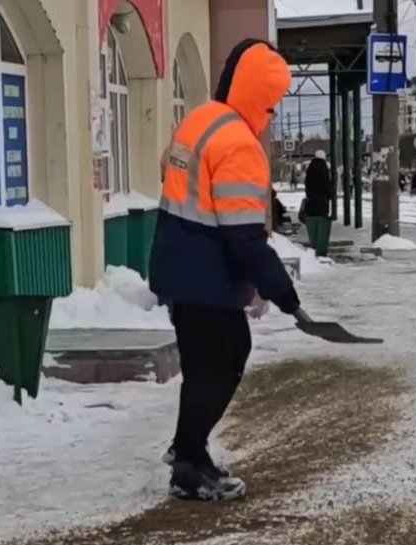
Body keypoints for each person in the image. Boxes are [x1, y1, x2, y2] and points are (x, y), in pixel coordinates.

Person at [151, 38, 300, 501]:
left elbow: (168, 170)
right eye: (272, 104)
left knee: (214, 362)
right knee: (218, 365)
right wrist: (285, 293)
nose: (272, 115)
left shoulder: (200, 119)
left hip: (180, 264)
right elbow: (245, 238)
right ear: (256, 93)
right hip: (204, 275)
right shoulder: (238, 144)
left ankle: (187, 451)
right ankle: (190, 464)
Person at [303, 150, 332, 257]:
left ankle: (313, 245)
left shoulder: (310, 168)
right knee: (322, 222)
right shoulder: (323, 168)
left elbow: (307, 184)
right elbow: (326, 184)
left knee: (313, 222)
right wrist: (330, 195)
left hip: (311, 202)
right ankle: (320, 249)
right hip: (322, 201)